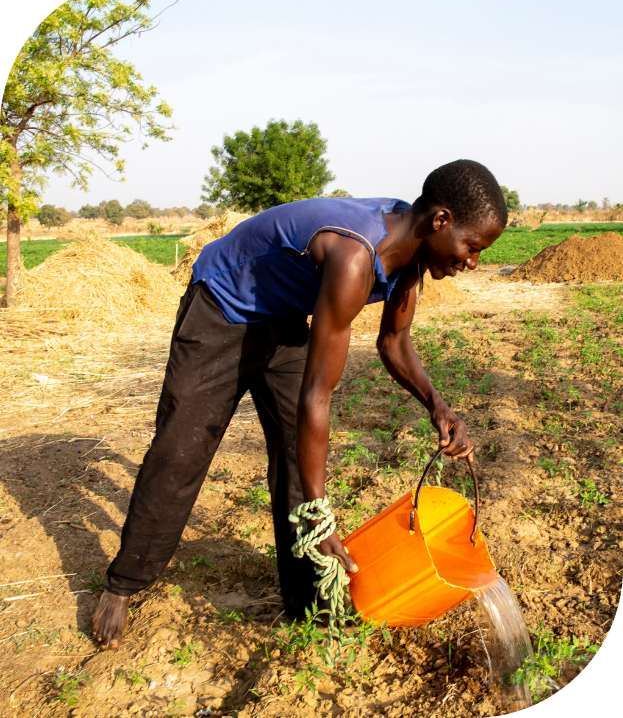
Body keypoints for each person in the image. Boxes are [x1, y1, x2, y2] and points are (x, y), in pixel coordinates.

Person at [92, 159, 507, 649]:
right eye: (473, 247)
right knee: (182, 450)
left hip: (282, 316)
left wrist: (438, 406)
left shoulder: (409, 257)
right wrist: (317, 507)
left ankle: (309, 600)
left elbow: (394, 343)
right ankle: (124, 585)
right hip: (222, 306)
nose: (472, 261)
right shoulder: (355, 255)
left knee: (295, 451)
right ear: (440, 221)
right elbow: (318, 394)